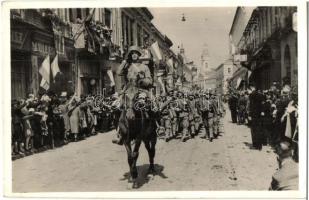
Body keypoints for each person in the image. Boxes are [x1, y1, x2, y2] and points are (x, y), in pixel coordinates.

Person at [112, 45, 153, 145]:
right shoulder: (127, 66)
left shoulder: (144, 67)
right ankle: (119, 132)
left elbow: (150, 81)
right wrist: (124, 62)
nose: (134, 55)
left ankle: (151, 128)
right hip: (128, 90)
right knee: (116, 106)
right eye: (132, 53)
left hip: (140, 90)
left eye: (136, 53)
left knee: (148, 106)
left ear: (139, 55)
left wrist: (142, 79)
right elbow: (118, 72)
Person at [248, 84, 264, 150]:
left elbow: (251, 106)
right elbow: (262, 104)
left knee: (254, 130)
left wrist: (249, 115)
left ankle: (255, 144)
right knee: (259, 129)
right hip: (259, 115)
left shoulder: (251, 95)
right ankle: (259, 145)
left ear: (251, 88)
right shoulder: (260, 94)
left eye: (249, 89)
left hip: (254, 115)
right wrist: (262, 111)